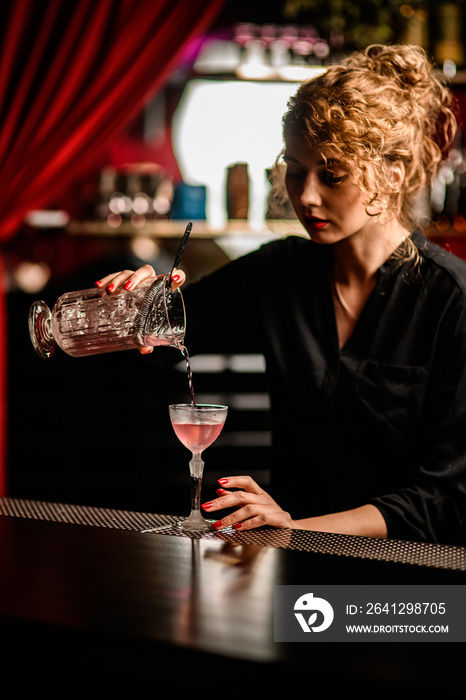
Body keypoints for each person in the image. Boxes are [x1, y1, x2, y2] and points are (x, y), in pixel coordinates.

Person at [97, 44, 466, 544]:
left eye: (331, 175)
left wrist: (295, 529)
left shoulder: (451, 299)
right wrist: (135, 309)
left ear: (392, 176)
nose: (306, 196)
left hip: (408, 585)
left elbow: (442, 500)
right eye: (294, 171)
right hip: (294, 570)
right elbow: (157, 349)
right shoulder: (280, 272)